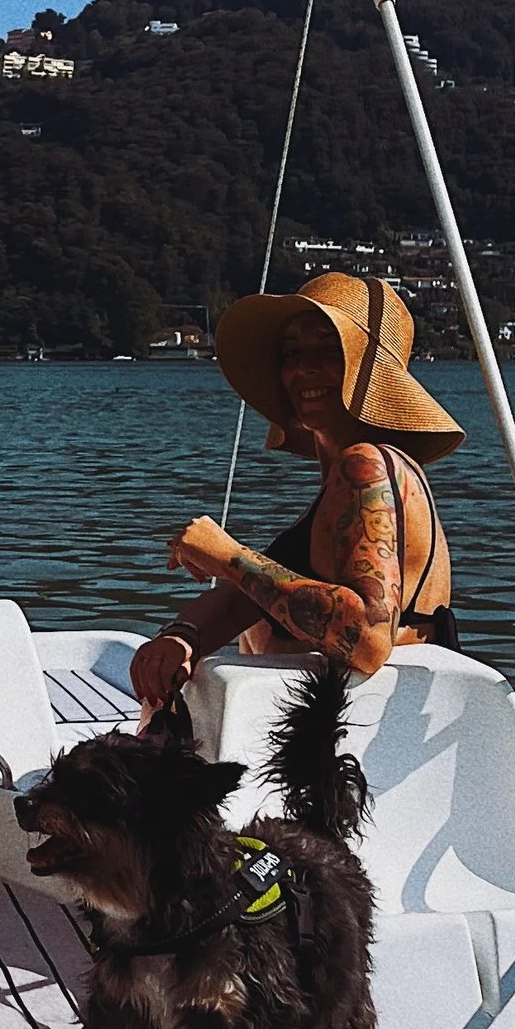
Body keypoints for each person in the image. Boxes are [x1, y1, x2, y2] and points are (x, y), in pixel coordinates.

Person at [129, 271, 461, 716]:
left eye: (329, 349)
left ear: (370, 372)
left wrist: (229, 557)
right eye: (292, 353)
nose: (305, 368)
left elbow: (368, 636)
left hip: (353, 733)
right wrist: (183, 635)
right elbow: (249, 598)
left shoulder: (364, 468)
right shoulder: (355, 478)